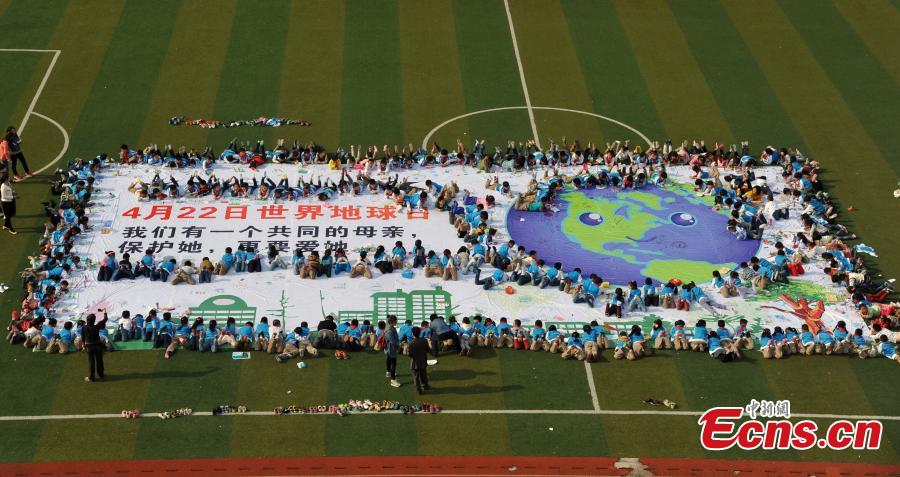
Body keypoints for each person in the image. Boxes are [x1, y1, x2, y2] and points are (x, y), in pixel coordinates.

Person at [82, 311, 108, 382]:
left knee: (91, 362)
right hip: (98, 346)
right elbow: (105, 319)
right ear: (94, 320)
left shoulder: (84, 327)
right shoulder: (97, 326)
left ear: (87, 320)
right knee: (99, 361)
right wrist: (105, 312)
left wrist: (84, 345)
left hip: (89, 347)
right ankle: (101, 375)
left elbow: (83, 337)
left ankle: (91, 378)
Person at [407, 326, 430, 393]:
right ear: (420, 333)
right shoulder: (424, 340)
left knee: (416, 377)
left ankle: (418, 389)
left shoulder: (411, 343)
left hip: (414, 363)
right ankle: (425, 385)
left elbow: (409, 354)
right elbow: (427, 350)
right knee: (424, 374)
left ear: (413, 333)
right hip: (423, 360)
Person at [384, 315, 401, 388]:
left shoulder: (388, 327)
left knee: (389, 360)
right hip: (391, 349)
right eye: (396, 321)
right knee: (393, 363)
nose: (397, 322)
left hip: (388, 349)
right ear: (393, 322)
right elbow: (393, 342)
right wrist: (399, 346)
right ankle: (393, 380)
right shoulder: (390, 330)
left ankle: (388, 372)